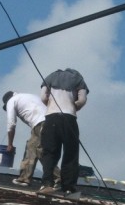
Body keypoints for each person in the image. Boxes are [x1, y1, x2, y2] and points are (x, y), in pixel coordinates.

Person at [37, 68, 89, 198]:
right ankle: (68, 187)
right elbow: (82, 100)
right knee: (70, 153)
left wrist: (50, 105)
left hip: (51, 118)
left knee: (49, 152)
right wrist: (74, 106)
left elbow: (43, 97)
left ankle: (46, 183)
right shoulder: (78, 80)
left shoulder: (50, 77)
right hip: (69, 118)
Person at [1, 90, 56, 186]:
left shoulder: (11, 101)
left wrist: (10, 144)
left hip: (41, 123)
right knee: (37, 149)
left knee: (34, 149)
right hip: (52, 121)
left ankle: (24, 178)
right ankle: (56, 176)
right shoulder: (29, 96)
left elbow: (11, 123)